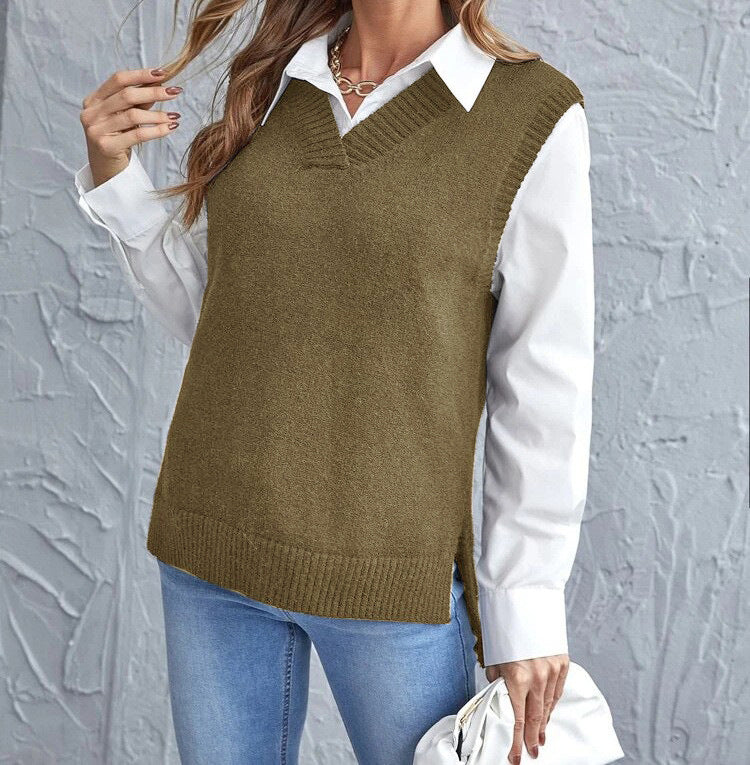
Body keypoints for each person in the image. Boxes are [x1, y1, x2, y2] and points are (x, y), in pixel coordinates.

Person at [75, 1, 596, 763]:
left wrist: (526, 607)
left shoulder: (529, 113)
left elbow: (543, 383)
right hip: (211, 552)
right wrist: (114, 178)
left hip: (388, 578)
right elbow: (221, 316)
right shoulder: (277, 78)